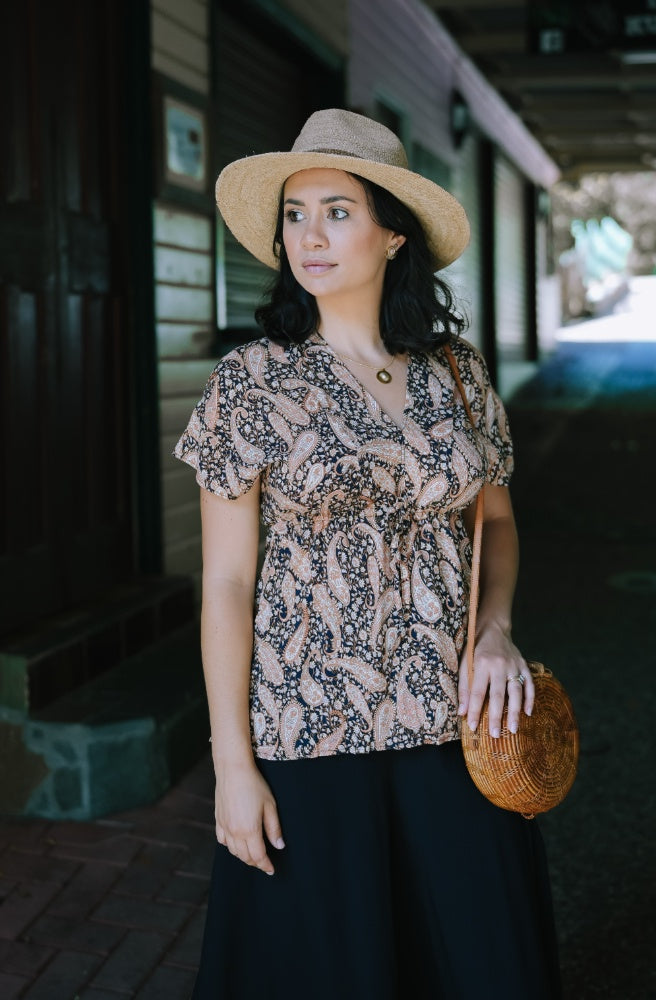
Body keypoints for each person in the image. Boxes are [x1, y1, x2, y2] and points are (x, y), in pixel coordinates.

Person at [174, 108, 561, 999]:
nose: (308, 235)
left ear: (393, 234)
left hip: (454, 716)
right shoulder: (251, 381)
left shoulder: (456, 373)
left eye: (338, 211)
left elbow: (494, 523)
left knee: (476, 958)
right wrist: (233, 766)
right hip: (310, 731)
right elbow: (227, 583)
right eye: (295, 213)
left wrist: (495, 632)